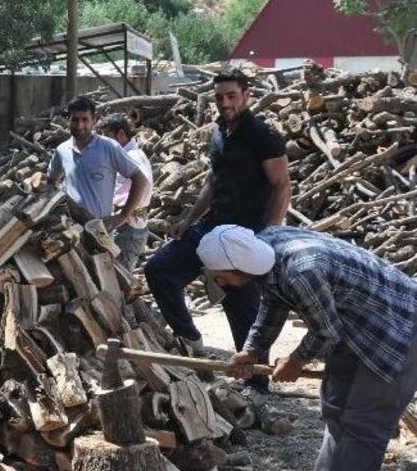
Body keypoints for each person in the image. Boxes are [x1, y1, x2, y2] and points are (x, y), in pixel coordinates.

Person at [195, 225, 417, 471]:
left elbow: (327, 333)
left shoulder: (302, 271)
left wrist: (295, 361)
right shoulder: (266, 248)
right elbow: (275, 301)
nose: (220, 283)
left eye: (221, 276)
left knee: (362, 423)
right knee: (335, 408)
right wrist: (252, 350)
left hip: (400, 329)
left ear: (240, 266)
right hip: (356, 329)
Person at [143, 69, 291, 397]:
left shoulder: (262, 134)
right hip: (211, 227)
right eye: (219, 97)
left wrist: (269, 235)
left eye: (231, 96)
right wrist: (188, 218)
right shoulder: (218, 132)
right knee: (159, 270)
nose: (225, 103)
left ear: (246, 95)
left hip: (245, 235)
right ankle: (191, 339)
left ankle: (255, 384)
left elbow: (282, 185)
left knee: (243, 309)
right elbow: (214, 181)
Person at [47, 96, 151, 233]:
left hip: (100, 230)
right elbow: (51, 182)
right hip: (72, 230)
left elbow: (141, 180)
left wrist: (122, 216)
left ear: (94, 121)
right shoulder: (62, 150)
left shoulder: (108, 147)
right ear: (68, 120)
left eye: (85, 120)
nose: (79, 125)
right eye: (75, 120)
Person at [98, 113, 153, 271]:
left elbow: (142, 183)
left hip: (128, 228)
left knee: (120, 277)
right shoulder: (129, 154)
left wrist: (122, 216)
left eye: (107, 136)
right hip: (129, 225)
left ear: (121, 134)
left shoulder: (131, 156)